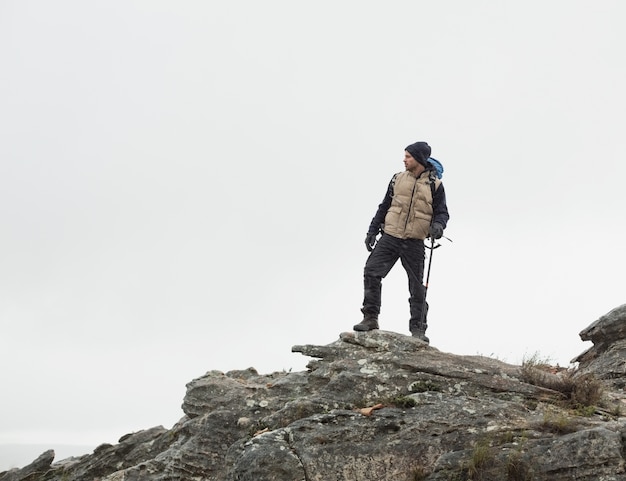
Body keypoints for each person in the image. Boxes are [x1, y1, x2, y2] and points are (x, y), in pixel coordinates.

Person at [353, 141, 450, 343]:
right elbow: (384, 206)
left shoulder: (435, 186)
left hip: (414, 242)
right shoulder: (397, 179)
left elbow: (442, 213)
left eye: (408, 156)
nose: (404, 160)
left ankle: (418, 330)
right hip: (390, 236)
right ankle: (370, 318)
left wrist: (439, 226)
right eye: (405, 156)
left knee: (417, 287)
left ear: (419, 159)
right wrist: (372, 231)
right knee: (371, 271)